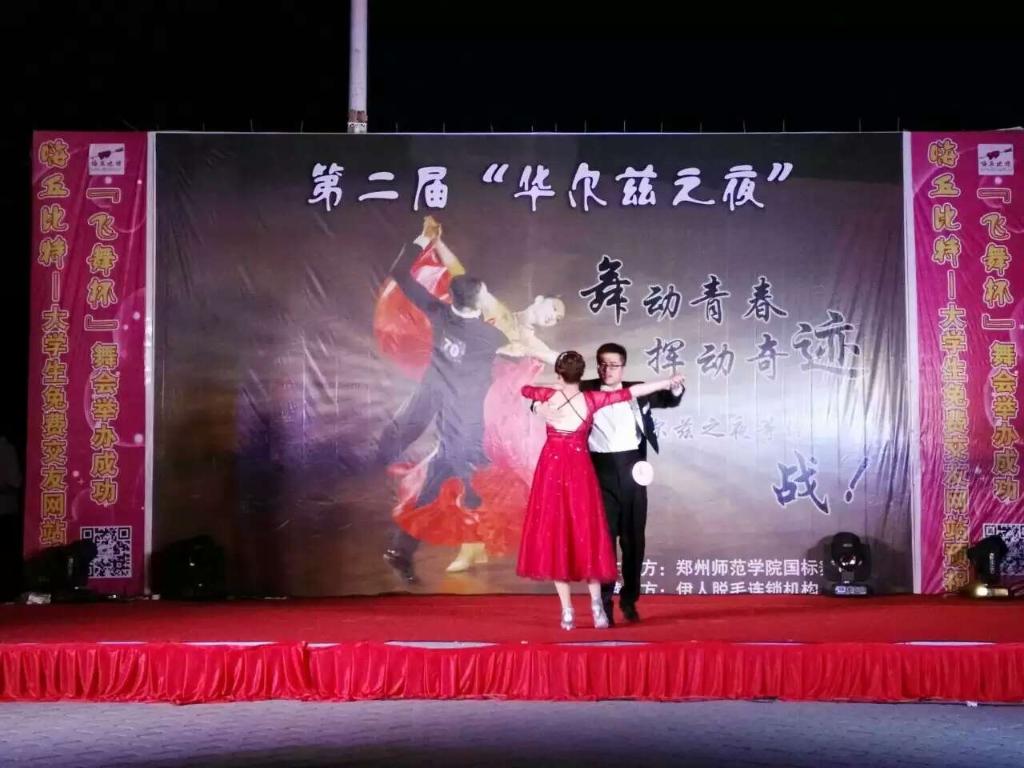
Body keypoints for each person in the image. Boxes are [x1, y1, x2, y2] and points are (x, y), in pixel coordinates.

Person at [380, 221, 507, 584]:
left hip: (452, 423)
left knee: (446, 487)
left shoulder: (440, 313)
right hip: (464, 431)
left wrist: (426, 239)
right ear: (478, 300)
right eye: (485, 293)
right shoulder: (491, 337)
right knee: (463, 488)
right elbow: (517, 350)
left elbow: (399, 274)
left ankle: (403, 549)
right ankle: (406, 549)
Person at [518, 351, 682, 630]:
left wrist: (542, 403)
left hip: (553, 472)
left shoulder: (549, 395)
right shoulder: (591, 398)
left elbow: (525, 389)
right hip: (582, 471)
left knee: (559, 535)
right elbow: (633, 392)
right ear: (583, 373)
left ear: (559, 374)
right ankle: (598, 608)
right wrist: (666, 382)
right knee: (590, 536)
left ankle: (568, 612)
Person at [581, 342, 685, 625]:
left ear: (623, 367)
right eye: (603, 364)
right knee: (604, 541)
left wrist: (676, 387)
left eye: (613, 365)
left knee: (633, 540)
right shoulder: (585, 390)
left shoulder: (636, 390)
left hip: (633, 471)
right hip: (599, 473)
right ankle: (603, 604)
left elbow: (669, 399)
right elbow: (558, 397)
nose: (607, 370)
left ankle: (629, 599)